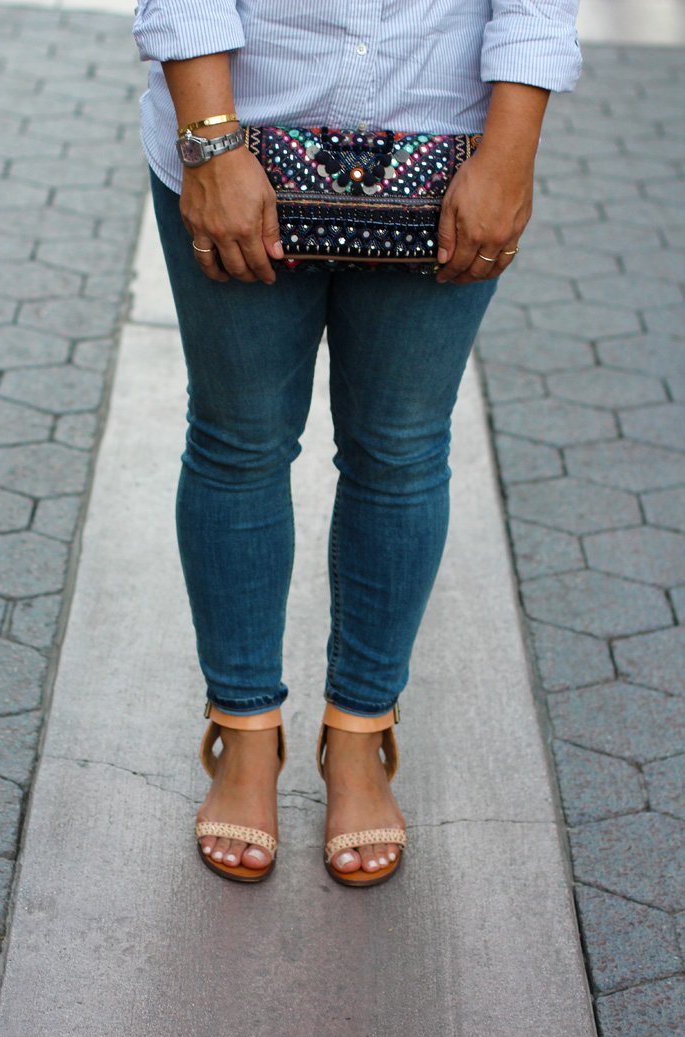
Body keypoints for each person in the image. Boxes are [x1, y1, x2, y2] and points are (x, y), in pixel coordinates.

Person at [132, 0, 581, 887]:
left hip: (445, 135)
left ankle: (362, 734)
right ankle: (246, 733)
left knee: (401, 450)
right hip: (239, 124)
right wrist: (212, 143)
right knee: (239, 442)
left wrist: (511, 153)